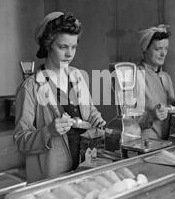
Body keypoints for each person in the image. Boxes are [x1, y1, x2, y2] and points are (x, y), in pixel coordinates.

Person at [14, 12, 106, 183]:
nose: (69, 54)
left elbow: (90, 111)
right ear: (48, 45)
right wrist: (49, 131)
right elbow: (21, 141)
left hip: (85, 169)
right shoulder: (30, 88)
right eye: (63, 47)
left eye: (74, 47)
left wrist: (98, 121)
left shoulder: (78, 76)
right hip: (52, 179)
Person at [135, 24, 175, 140]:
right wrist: (151, 116)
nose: (163, 54)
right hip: (145, 146)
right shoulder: (136, 76)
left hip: (165, 144)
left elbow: (170, 111)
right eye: (158, 49)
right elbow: (129, 121)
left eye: (166, 49)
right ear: (145, 49)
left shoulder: (166, 77)